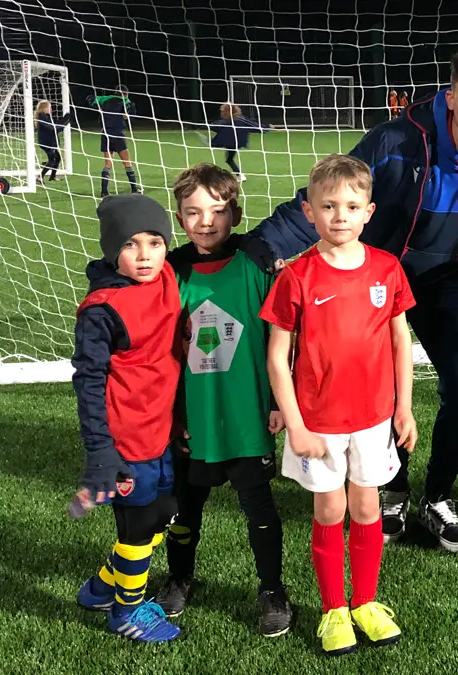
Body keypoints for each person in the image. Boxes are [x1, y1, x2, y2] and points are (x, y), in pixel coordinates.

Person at [245, 42, 458, 552]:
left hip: (456, 286)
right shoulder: (395, 141)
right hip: (380, 280)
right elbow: (333, 194)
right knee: (379, 389)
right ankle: (394, 489)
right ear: (450, 97)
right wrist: (261, 247)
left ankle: (439, 495)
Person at [260, 154, 416, 655]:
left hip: (373, 417)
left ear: (369, 211)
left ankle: (366, 602)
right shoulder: (297, 276)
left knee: (368, 505)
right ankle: (333, 610)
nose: (340, 216)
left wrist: (405, 408)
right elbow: (277, 358)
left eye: (351, 206)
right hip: (320, 423)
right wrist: (298, 425)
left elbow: (399, 343)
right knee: (329, 509)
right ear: (309, 211)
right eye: (328, 206)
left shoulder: (387, 269)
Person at [150, 163, 291, 637]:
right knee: (185, 508)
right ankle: (180, 576)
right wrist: (173, 416)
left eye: (217, 210)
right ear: (179, 216)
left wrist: (277, 400)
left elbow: (281, 336)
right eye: (192, 212)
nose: (205, 221)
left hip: (247, 413)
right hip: (195, 418)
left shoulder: (256, 263)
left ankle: (271, 588)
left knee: (259, 507)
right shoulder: (171, 272)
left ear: (235, 212)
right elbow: (158, 350)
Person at [71, 194, 182, 642]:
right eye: (131, 244)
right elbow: (88, 382)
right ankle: (125, 613)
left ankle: (101, 587)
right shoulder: (102, 310)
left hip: (162, 433)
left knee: (164, 515)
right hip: (125, 443)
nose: (144, 255)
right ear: (112, 249)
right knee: (137, 532)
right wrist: (100, 451)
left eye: (154, 242)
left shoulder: (168, 275)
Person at [87, 84, 139, 198]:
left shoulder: (104, 100)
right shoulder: (125, 101)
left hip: (105, 135)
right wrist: (127, 115)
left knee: (108, 164)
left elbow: (90, 99)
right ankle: (135, 189)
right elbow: (132, 113)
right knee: (127, 162)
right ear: (125, 94)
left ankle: (104, 191)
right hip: (117, 135)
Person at [210, 103, 272, 181]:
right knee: (229, 159)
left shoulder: (239, 120)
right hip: (233, 142)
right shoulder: (226, 121)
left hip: (234, 142)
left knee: (225, 150)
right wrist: (267, 127)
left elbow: (254, 126)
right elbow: (214, 127)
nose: (221, 113)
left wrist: (267, 127)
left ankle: (213, 143)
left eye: (222, 111)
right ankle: (240, 175)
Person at [35, 100, 72, 182]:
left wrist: (66, 119)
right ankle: (40, 177)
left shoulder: (47, 116)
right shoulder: (42, 117)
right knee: (52, 161)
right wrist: (65, 122)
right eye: (49, 107)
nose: (51, 109)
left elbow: (55, 126)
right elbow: (52, 128)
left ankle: (52, 177)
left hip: (50, 142)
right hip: (47, 143)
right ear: (44, 108)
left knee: (57, 158)